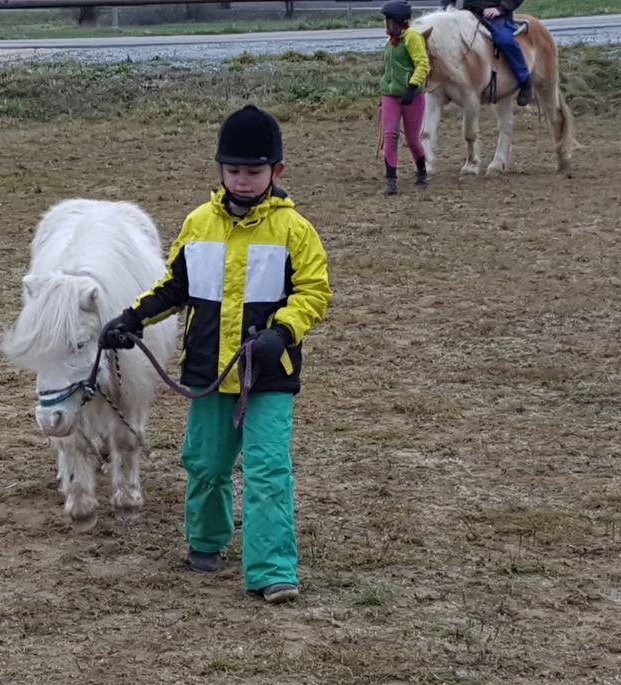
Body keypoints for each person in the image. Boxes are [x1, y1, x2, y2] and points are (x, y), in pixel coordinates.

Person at [99, 105, 332, 604]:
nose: (243, 181)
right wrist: (131, 320)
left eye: (253, 172)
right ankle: (205, 542)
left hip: (267, 375)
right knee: (205, 464)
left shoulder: (295, 231)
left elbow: (313, 292)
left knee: (268, 469)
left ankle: (272, 570)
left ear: (277, 172)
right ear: (219, 170)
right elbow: (174, 286)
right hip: (209, 374)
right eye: (233, 171)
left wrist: (283, 333)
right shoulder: (199, 223)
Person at [378, 0, 431, 196]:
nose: (386, 25)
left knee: (412, 140)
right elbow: (389, 69)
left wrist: (412, 86)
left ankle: (422, 172)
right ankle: (391, 182)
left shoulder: (412, 38)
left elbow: (423, 64)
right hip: (390, 96)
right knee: (390, 135)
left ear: (398, 22)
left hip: (412, 96)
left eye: (388, 21)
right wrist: (384, 90)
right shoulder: (391, 41)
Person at [455, 0, 533, 106]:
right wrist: (446, 7)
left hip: (495, 15)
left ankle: (525, 82)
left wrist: (501, 9)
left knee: (504, 40)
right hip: (467, 13)